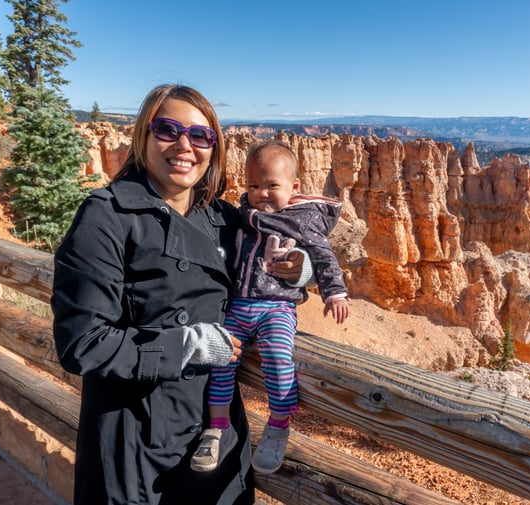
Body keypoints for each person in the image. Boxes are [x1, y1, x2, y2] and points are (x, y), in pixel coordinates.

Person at [51, 84, 309, 505]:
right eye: (168, 130)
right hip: (135, 439)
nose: (185, 146)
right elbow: (82, 343)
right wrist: (188, 345)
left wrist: (302, 271)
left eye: (201, 136)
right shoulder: (106, 216)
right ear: (143, 137)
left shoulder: (225, 218)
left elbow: (276, 268)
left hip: (216, 425)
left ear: (215, 147)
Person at [190, 140, 349, 475]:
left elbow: (324, 257)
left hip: (276, 308)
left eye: (272, 185)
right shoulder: (243, 216)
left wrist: (334, 293)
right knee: (221, 356)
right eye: (254, 185)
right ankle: (216, 426)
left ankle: (278, 424)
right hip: (238, 306)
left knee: (277, 357)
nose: (261, 193)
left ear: (295, 188)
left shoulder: (303, 221)